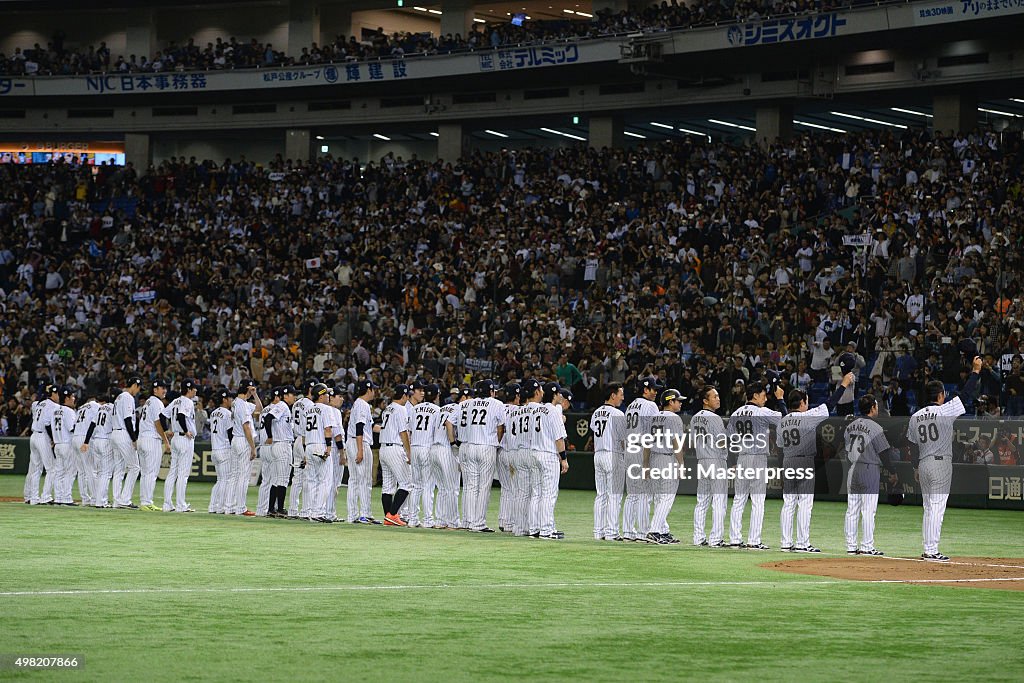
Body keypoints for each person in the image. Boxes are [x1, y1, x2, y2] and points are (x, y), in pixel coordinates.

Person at [907, 356, 981, 561]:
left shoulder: (916, 416)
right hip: (940, 464)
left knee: (928, 507)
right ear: (940, 395)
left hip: (923, 463)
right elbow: (966, 394)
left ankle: (927, 547)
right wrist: (975, 371)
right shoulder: (945, 411)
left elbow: (912, 445)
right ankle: (931, 550)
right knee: (937, 506)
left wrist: (915, 467)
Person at [777, 372, 853, 552]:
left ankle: (786, 543)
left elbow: (780, 447)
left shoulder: (783, 421)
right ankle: (802, 543)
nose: (808, 404)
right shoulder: (808, 417)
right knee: (804, 503)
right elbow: (831, 403)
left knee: (788, 503)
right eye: (806, 401)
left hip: (788, 461)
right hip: (804, 462)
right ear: (802, 403)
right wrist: (843, 384)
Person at [727, 380, 785, 550]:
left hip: (742, 458)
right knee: (758, 500)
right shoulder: (762, 411)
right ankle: (754, 540)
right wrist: (780, 399)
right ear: (755, 395)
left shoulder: (736, 412)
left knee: (739, 499)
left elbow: (729, 438)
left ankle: (735, 539)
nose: (765, 399)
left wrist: (732, 462)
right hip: (757, 458)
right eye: (763, 395)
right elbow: (785, 417)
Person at [844, 393, 898, 556]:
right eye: (876, 405)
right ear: (873, 408)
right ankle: (867, 546)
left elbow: (847, 449)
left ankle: (851, 546)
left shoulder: (850, 426)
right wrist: (893, 472)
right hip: (869, 468)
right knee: (868, 510)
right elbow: (884, 453)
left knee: (852, 509)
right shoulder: (875, 427)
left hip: (853, 468)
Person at [456, 379, 506, 533]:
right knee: (483, 486)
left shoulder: (465, 404)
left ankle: (468, 521)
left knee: (470, 486)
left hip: (467, 445)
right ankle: (478, 523)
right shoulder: (497, 404)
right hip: (486, 446)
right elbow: (500, 428)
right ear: (491, 392)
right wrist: (496, 443)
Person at [525, 380, 568, 539]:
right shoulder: (553, 411)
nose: (561, 396)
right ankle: (547, 530)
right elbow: (559, 439)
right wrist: (563, 458)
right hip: (548, 454)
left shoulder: (537, 410)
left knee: (537, 493)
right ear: (555, 394)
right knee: (549, 494)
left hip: (534, 453)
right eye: (559, 393)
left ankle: (534, 528)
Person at [622, 377, 660, 542]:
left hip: (629, 449)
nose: (656, 392)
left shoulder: (630, 406)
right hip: (642, 448)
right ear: (646, 390)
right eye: (653, 389)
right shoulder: (650, 405)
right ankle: (643, 532)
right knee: (645, 493)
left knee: (632, 494)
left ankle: (628, 531)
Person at [646, 388, 686, 545]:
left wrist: (646, 464)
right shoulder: (674, 418)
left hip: (655, 458)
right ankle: (654, 531)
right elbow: (676, 442)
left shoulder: (653, 418)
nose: (680, 403)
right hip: (667, 458)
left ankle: (662, 530)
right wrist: (681, 463)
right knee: (667, 497)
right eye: (678, 400)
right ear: (671, 401)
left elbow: (647, 443)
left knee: (659, 497)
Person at [690, 386, 727, 548]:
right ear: (705, 401)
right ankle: (716, 539)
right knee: (719, 500)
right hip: (716, 459)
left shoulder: (694, 418)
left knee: (702, 501)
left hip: (702, 460)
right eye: (714, 397)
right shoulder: (715, 418)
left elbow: (692, 442)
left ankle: (698, 538)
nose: (718, 399)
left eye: (718, 396)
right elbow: (721, 442)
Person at [590, 383, 625, 541]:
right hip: (613, 454)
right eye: (620, 394)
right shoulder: (617, 414)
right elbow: (623, 440)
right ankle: (611, 532)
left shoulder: (596, 412)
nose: (622, 397)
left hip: (598, 455)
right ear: (613, 395)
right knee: (614, 496)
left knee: (601, 495)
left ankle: (598, 531)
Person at [161, 379, 198, 513]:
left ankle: (167, 504)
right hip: (184, 439)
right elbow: (182, 415)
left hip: (176, 438)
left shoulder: (175, 401)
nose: (195, 390)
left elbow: (162, 415)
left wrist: (166, 430)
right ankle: (181, 505)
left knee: (172, 472)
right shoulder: (187, 401)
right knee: (183, 474)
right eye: (194, 388)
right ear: (188, 389)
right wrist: (186, 430)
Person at [378, 384, 414, 526]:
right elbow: (403, 432)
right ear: (404, 395)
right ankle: (392, 515)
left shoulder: (388, 408)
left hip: (383, 449)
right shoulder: (401, 409)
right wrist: (409, 451)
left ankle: (388, 517)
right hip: (394, 448)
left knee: (388, 486)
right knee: (406, 483)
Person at [437, 386, 471, 530]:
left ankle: (440, 520)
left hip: (434, 448)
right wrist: (453, 443)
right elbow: (449, 423)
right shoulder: (459, 408)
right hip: (447, 448)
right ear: (463, 399)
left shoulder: (443, 408)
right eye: (469, 398)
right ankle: (453, 521)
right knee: (453, 488)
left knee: (442, 488)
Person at [261, 385, 296, 518]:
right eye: (292, 394)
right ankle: (280, 509)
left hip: (277, 445)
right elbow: (269, 418)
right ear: (286, 395)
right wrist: (269, 436)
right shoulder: (282, 405)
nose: (294, 396)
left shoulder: (282, 406)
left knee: (276, 478)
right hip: (281, 444)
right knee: (283, 479)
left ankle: (271, 509)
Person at [345, 379, 377, 524]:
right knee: (361, 480)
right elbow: (359, 427)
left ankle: (359, 514)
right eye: (373, 389)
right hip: (359, 442)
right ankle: (362, 514)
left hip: (356, 441)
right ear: (368, 390)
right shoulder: (363, 405)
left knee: (356, 480)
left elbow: (371, 427)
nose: (375, 392)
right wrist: (360, 450)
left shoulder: (359, 404)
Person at [301, 383, 334, 523]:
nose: (328, 396)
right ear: (321, 396)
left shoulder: (308, 409)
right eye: (326, 394)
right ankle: (318, 512)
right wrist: (329, 447)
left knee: (310, 480)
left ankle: (308, 510)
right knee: (325, 480)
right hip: (320, 445)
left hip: (309, 445)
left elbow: (303, 434)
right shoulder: (326, 409)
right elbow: (328, 429)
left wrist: (305, 453)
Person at [409, 382, 440, 528]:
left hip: (414, 447)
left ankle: (412, 519)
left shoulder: (414, 409)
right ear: (436, 395)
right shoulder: (437, 410)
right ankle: (428, 520)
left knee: (416, 485)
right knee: (428, 486)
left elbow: (410, 430)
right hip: (427, 448)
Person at [229, 379, 262, 517]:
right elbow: (246, 427)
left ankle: (230, 506)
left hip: (235, 440)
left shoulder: (237, 402)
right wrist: (253, 448)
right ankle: (241, 507)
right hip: (243, 441)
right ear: (247, 390)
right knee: (243, 476)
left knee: (236, 475)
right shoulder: (242, 405)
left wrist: (255, 395)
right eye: (251, 390)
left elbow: (260, 409)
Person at [138, 379, 171, 512]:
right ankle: (147, 501)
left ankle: (144, 501)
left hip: (142, 438)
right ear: (155, 390)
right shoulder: (157, 402)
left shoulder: (147, 402)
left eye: (165, 388)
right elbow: (158, 423)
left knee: (145, 473)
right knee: (151, 473)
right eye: (161, 388)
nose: (164, 390)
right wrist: (166, 440)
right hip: (152, 440)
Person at [24, 384, 59, 505]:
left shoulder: (39, 403)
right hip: (43, 436)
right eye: (57, 393)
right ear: (53, 394)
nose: (59, 396)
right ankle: (46, 496)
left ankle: (33, 498)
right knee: (52, 468)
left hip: (33, 436)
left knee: (35, 469)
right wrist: (53, 439)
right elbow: (47, 424)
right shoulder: (53, 406)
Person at [494, 383, 521, 533]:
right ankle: (511, 522)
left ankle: (504, 520)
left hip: (500, 451)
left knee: (505, 488)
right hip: (512, 452)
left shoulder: (499, 408)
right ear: (517, 396)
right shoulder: (520, 410)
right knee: (515, 488)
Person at [112, 377, 142, 509]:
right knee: (134, 467)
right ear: (134, 385)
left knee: (119, 469)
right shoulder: (128, 397)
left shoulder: (119, 397)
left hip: (115, 433)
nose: (138, 391)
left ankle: (117, 500)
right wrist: (134, 439)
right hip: (124, 434)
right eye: (138, 387)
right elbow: (128, 420)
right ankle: (125, 500)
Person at [288, 381, 315, 518]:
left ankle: (292, 510)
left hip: (296, 440)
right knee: (307, 478)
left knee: (297, 478)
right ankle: (305, 511)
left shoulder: (296, 404)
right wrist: (306, 448)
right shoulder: (310, 405)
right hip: (305, 440)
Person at [71, 389, 100, 507]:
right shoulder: (95, 405)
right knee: (91, 469)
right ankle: (94, 499)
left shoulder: (81, 408)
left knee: (82, 471)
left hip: (75, 438)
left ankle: (85, 499)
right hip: (84, 438)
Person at [208, 389, 235, 514]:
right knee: (225, 480)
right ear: (224, 399)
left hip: (214, 449)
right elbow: (230, 434)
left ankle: (213, 506)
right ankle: (221, 506)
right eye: (230, 398)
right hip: (224, 449)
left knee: (220, 480)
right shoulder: (228, 414)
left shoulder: (213, 413)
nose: (231, 400)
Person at [51, 387, 78, 505]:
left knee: (59, 472)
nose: (74, 398)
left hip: (57, 444)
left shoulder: (55, 410)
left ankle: (58, 498)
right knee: (70, 472)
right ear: (66, 398)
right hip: (67, 444)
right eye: (72, 396)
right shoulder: (69, 411)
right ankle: (66, 498)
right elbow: (72, 428)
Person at [90, 393, 115, 508]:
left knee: (99, 472)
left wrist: (86, 441)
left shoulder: (100, 409)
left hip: (96, 441)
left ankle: (96, 499)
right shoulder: (113, 407)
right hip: (106, 440)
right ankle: (101, 501)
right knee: (106, 473)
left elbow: (92, 425)